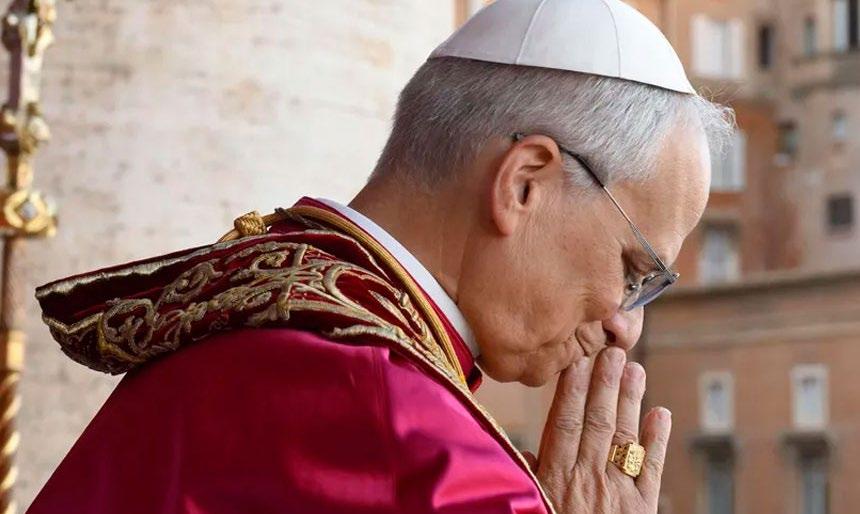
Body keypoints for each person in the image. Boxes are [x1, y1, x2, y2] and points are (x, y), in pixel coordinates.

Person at [28, 0, 735, 513]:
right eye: (633, 270)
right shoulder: (421, 449)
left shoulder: (245, 315)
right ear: (524, 184)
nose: (624, 325)